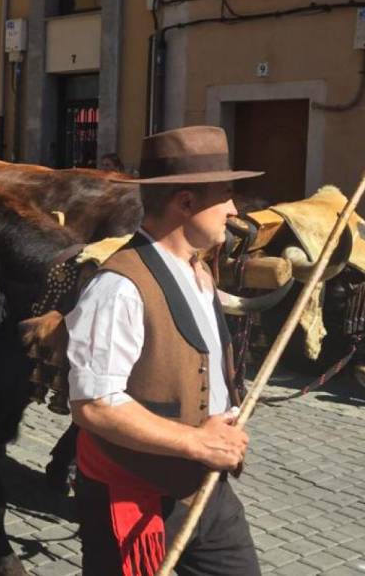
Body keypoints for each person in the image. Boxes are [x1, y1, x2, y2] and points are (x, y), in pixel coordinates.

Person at [67, 125, 260, 575]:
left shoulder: (199, 273)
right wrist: (196, 440)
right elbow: (95, 407)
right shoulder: (117, 289)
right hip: (135, 493)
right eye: (225, 195)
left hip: (206, 487)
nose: (233, 209)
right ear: (185, 202)